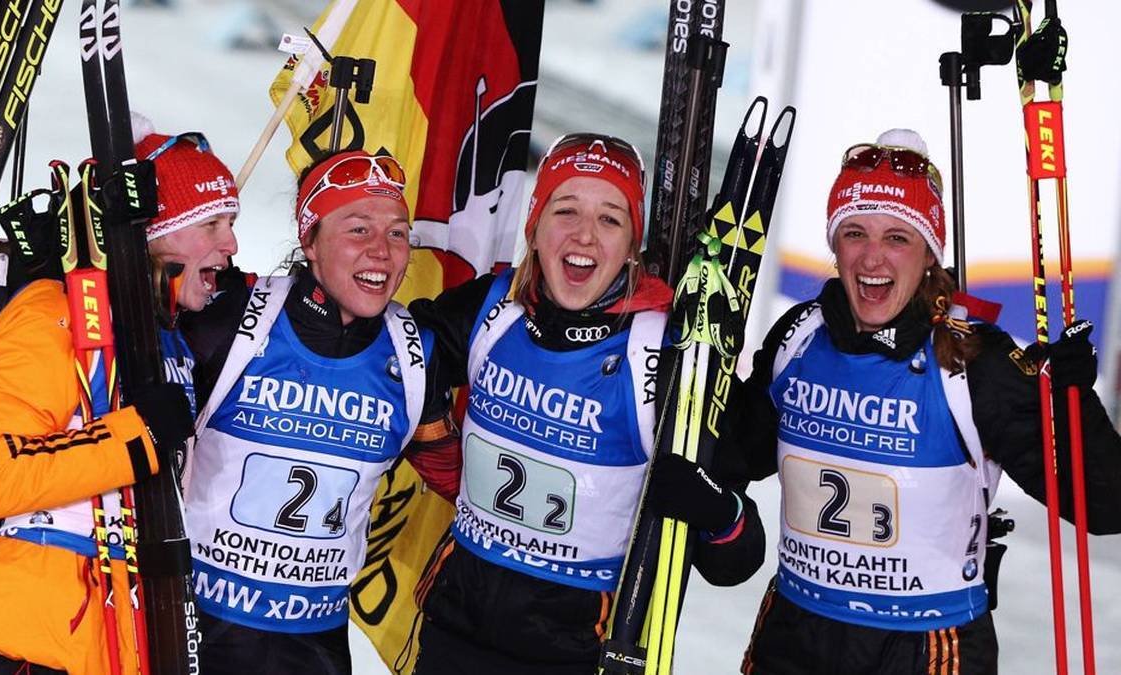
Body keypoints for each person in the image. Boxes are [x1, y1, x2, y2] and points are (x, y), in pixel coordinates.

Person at [733, 129, 1121, 674]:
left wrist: (1072, 400)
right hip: (796, 636)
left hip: (924, 648)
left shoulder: (972, 361)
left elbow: (1104, 504)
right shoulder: (798, 336)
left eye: (897, 237)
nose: (872, 256)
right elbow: (734, 458)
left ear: (928, 254)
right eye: (854, 232)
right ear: (834, 244)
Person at [408, 134, 766, 674]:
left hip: (575, 654)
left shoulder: (664, 350)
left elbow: (737, 557)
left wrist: (718, 511)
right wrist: (442, 455)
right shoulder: (493, 307)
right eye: (566, 209)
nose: (584, 235)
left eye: (610, 219)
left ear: (631, 246)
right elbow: (402, 368)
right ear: (535, 226)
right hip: (453, 632)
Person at [0, 120, 240, 674]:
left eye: (231, 223)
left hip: (124, 636)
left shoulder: (168, 335)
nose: (231, 244)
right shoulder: (51, 315)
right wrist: (138, 437)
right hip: (33, 639)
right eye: (213, 224)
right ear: (153, 232)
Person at [177, 149, 459, 674]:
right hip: (194, 631)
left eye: (398, 233)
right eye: (358, 230)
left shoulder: (416, 353)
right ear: (309, 241)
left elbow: (458, 478)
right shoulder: (231, 315)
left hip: (313, 648)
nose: (382, 252)